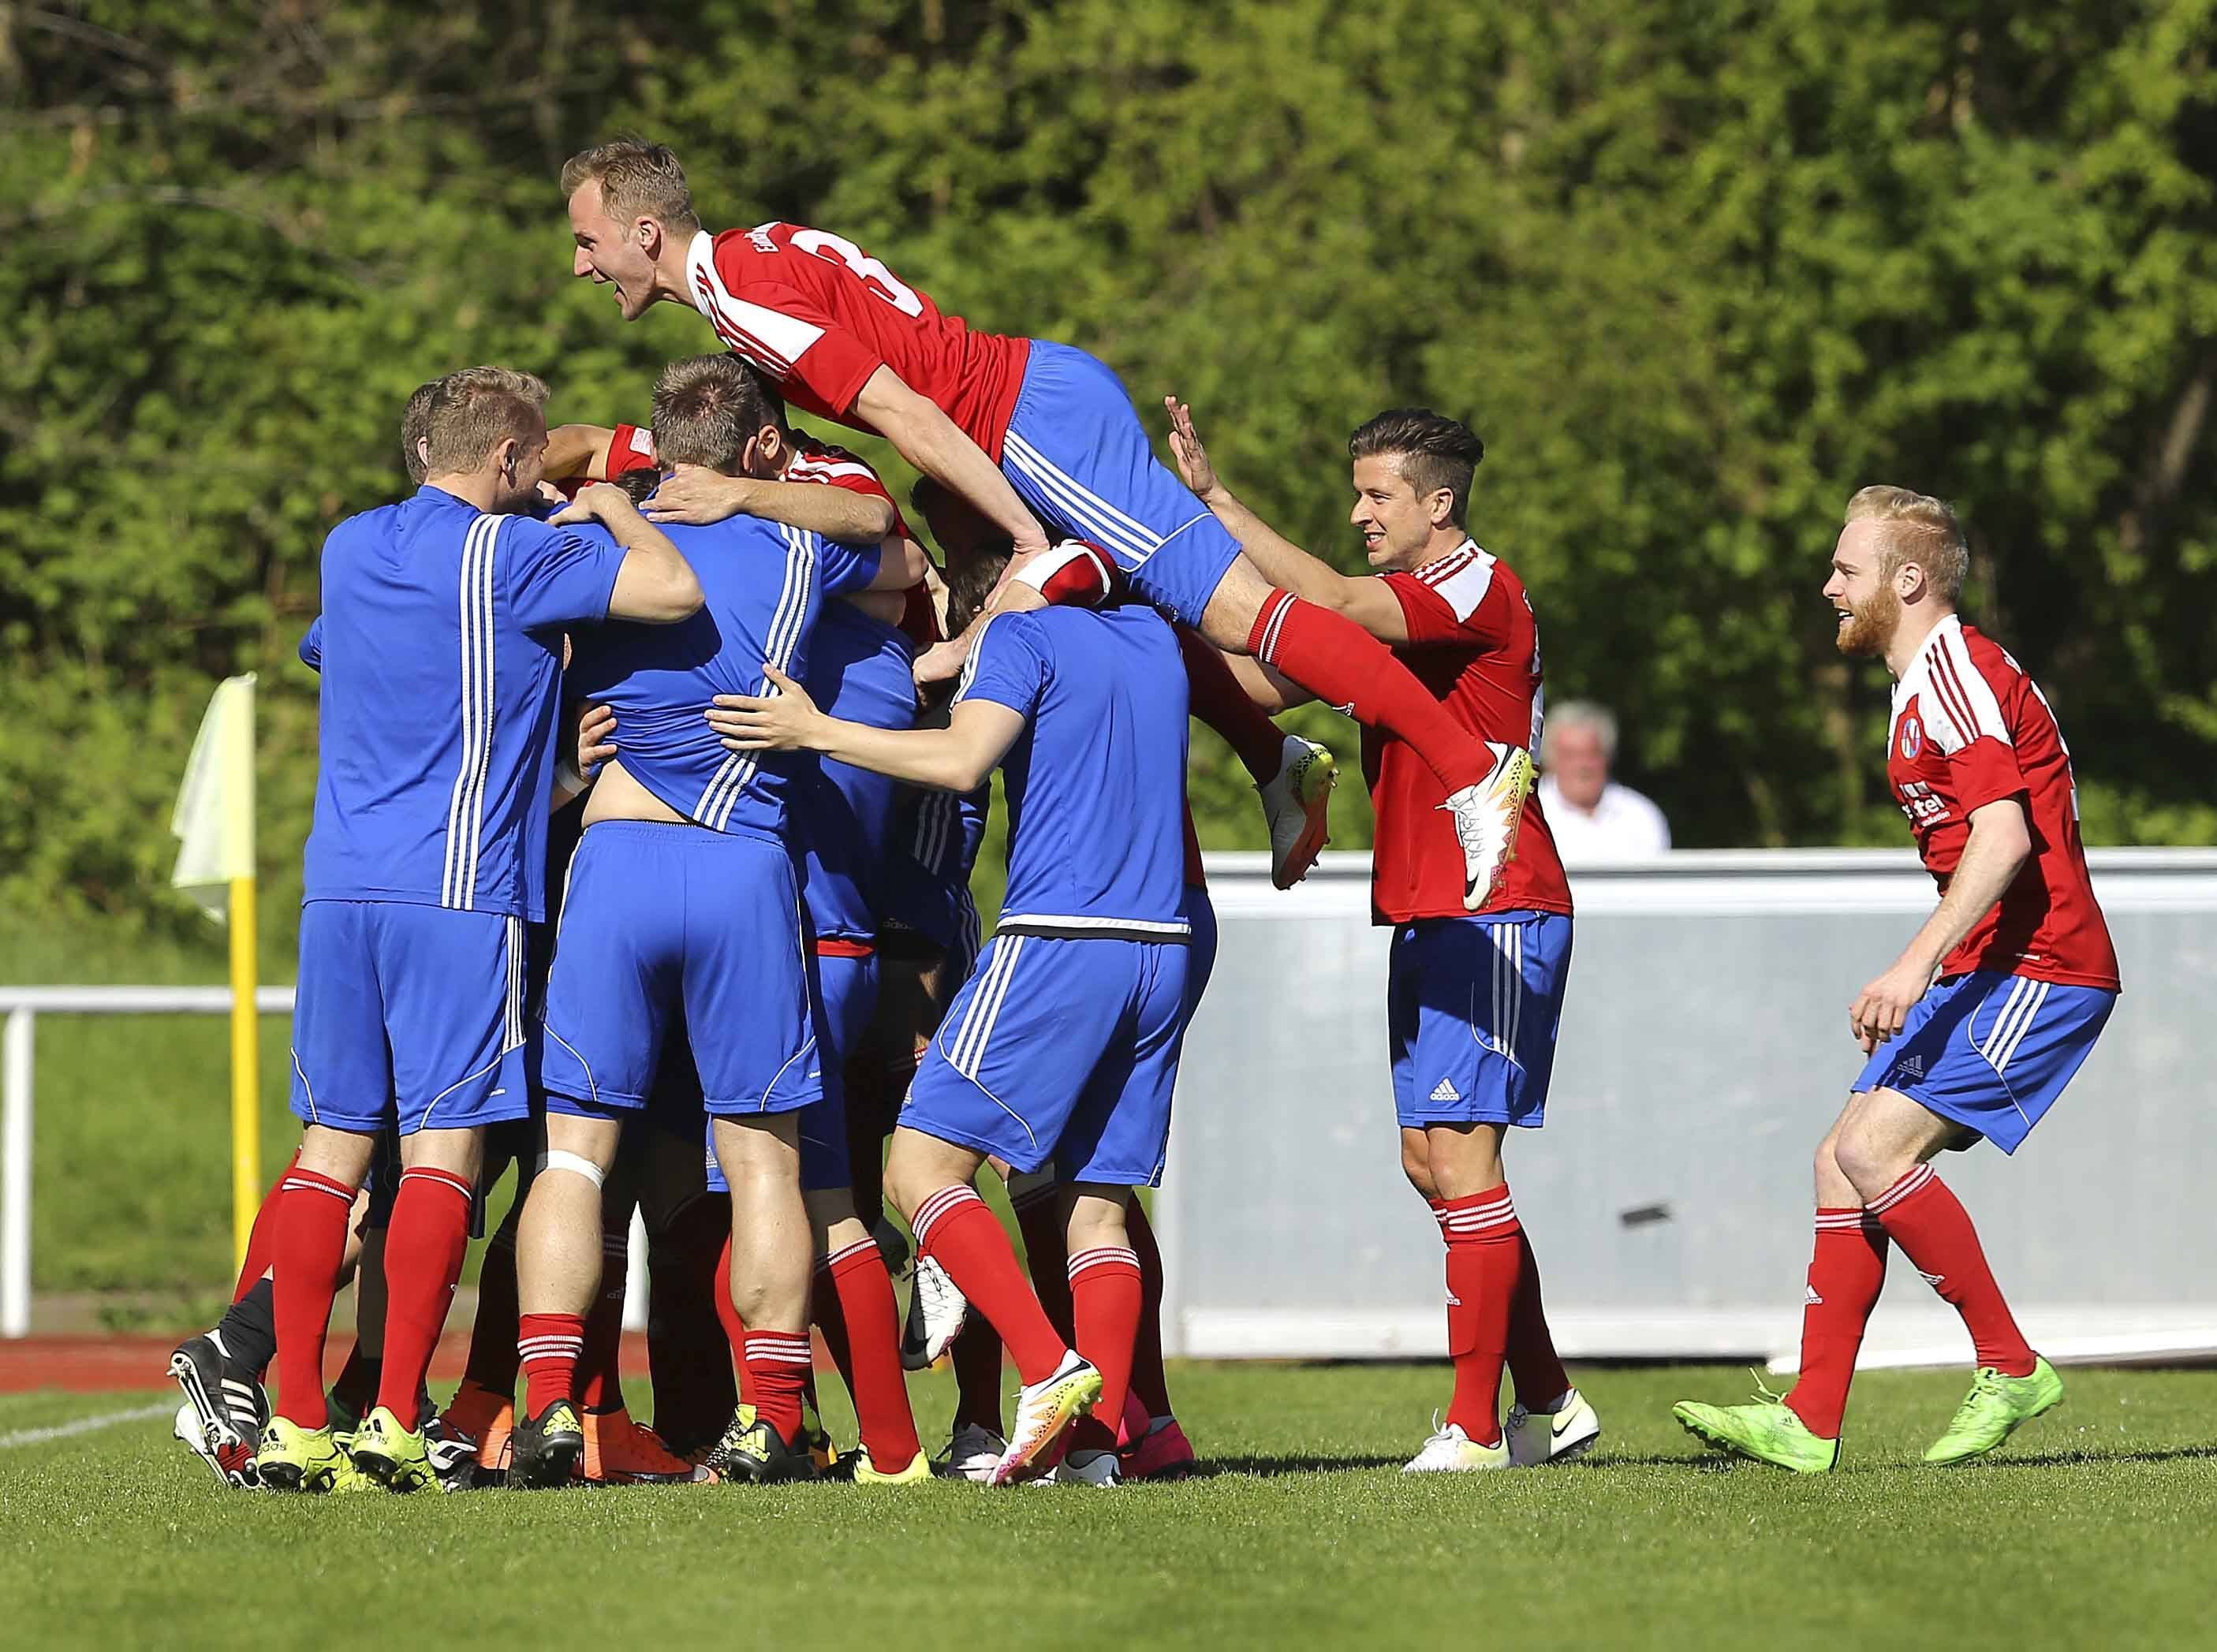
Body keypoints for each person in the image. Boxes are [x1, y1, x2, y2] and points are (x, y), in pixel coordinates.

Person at [558, 139, 1522, 902]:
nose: (578, 265)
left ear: (646, 232)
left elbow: (905, 408)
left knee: (1238, 614)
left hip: (1030, 424)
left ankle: (1466, 768)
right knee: (1115, 614)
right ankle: (1275, 759)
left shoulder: (739, 298)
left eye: (589, 241)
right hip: (1015, 421)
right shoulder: (757, 248)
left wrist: (1022, 530)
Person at [256, 367, 701, 1494]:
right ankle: (396, 1418)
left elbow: (342, 656)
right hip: (457, 895)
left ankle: (297, 1419)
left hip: (338, 889)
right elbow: (667, 587)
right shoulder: (514, 555)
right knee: (446, 1155)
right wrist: (602, 499)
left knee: (331, 1152)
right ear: (508, 457)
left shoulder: (348, 548)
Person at [512, 354, 924, 1488]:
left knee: (575, 1154)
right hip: (744, 864)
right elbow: (894, 535)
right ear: (759, 447)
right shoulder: (801, 537)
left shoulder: (595, 544)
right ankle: (769, 1420)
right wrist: (758, 495)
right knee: (762, 1165)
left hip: (615, 851)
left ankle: (547, 1405)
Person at [1163, 400, 1597, 1472]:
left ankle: (1471, 1426)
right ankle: (1544, 1394)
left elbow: (1324, 601)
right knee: (1432, 1158)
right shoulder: (1411, 609)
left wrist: (1216, 505)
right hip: (1431, 906)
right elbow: (1269, 668)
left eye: (1376, 494)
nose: (1358, 510)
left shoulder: (1468, 585)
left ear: (1436, 503)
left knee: (1460, 1158)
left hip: (1492, 901)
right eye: (1355, 492)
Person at [708, 547, 1195, 1487]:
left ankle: (1047, 1369)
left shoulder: (1022, 634)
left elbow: (963, 755)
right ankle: (1094, 1451)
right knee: (1095, 1210)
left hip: (1060, 938)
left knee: (919, 1168)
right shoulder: (1153, 641)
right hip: (1162, 945)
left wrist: (814, 728)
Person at [1674, 487, 2118, 1472]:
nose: (1828, 586)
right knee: (1840, 1159)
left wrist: (1913, 967)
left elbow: (2005, 837)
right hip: (1991, 965)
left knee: (1874, 1151)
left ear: (1908, 580)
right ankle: (1811, 1419)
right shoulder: (1921, 680)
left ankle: (2010, 1365)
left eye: (1846, 569)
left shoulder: (1953, 666)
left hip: (2047, 968)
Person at [1535, 702, 1671, 862]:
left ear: (1608, 756)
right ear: (1550, 759)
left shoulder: (1641, 815)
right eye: (1570, 755)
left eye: (1592, 754)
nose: (1582, 765)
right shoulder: (1528, 816)